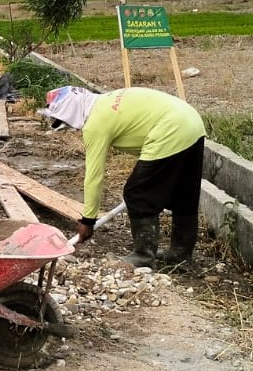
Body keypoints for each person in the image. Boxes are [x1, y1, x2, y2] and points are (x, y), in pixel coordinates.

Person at [42, 85, 207, 267]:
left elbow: (94, 176)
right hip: (191, 122)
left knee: (136, 193)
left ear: (70, 111)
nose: (71, 128)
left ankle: (143, 256)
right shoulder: (104, 102)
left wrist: (88, 220)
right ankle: (180, 255)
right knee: (183, 194)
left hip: (170, 130)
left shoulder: (95, 124)